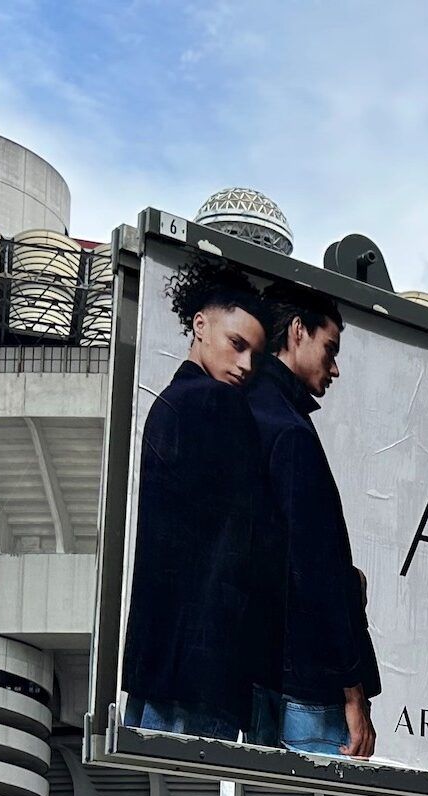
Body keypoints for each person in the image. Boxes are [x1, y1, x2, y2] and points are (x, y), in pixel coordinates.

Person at [121, 265, 273, 740]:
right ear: (200, 325)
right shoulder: (219, 404)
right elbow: (248, 541)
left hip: (153, 665)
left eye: (255, 356)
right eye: (237, 344)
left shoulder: (167, 403)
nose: (245, 366)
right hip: (203, 673)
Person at [244, 284, 381, 759]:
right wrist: (353, 691)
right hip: (309, 682)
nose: (335, 368)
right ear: (298, 331)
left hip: (256, 675)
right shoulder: (289, 431)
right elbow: (317, 569)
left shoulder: (244, 410)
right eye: (330, 348)